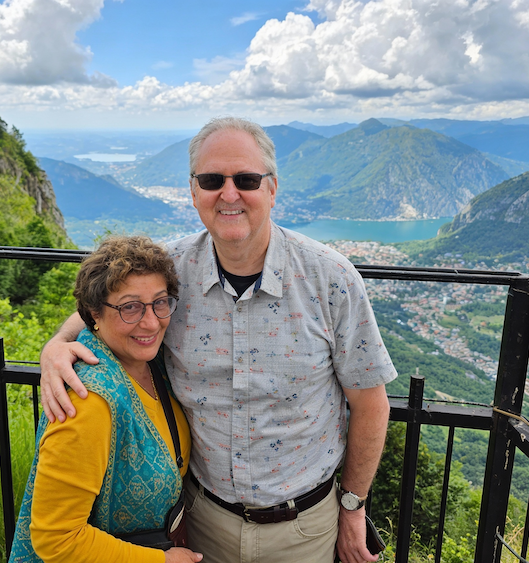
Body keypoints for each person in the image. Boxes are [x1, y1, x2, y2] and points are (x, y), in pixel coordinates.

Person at [39, 117, 398, 563]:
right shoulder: (170, 271)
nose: (229, 194)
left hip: (305, 529)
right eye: (212, 180)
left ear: (271, 189)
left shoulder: (331, 279)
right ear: (194, 191)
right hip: (200, 523)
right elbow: (101, 308)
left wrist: (352, 508)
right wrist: (55, 347)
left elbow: (370, 403)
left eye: (246, 179)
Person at [9, 235, 203, 563]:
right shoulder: (87, 402)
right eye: (130, 307)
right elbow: (55, 538)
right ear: (93, 313)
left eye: (160, 302)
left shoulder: (148, 362)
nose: (151, 322)